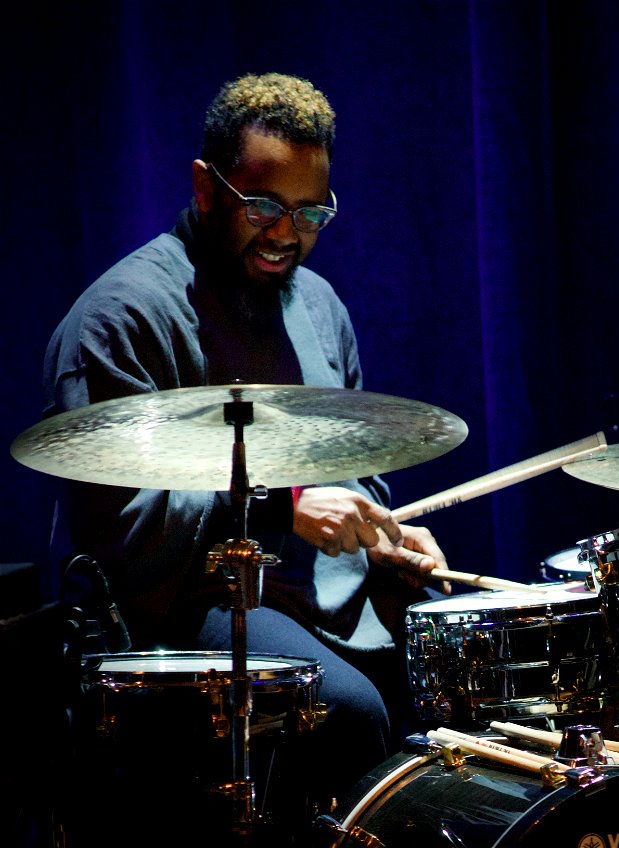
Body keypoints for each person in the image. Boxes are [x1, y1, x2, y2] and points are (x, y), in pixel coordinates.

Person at [42, 72, 451, 841]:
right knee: (349, 715)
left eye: (311, 213)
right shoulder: (120, 318)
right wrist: (284, 507)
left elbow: (350, 463)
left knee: (453, 677)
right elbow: (118, 535)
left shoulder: (319, 304)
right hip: (172, 611)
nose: (285, 233)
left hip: (303, 595)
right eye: (263, 205)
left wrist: (383, 535)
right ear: (206, 186)